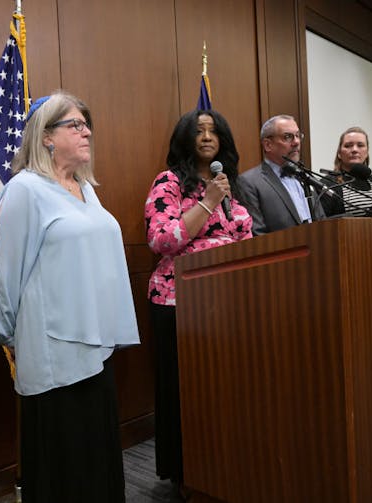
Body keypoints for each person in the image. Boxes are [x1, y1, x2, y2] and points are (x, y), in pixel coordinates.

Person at [0, 91, 140, 503]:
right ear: (47, 136)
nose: (87, 131)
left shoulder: (85, 189)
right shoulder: (25, 190)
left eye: (87, 123)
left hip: (96, 346)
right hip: (54, 349)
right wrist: (11, 336)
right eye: (75, 124)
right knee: (66, 460)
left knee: (96, 454)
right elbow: (3, 269)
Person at [145, 109, 252, 495]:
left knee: (221, 389)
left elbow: (243, 235)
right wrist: (206, 202)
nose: (207, 137)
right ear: (185, 139)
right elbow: (163, 240)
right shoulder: (169, 182)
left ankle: (221, 462)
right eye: (199, 131)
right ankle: (184, 472)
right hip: (179, 301)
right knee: (184, 391)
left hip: (226, 300)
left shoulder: (228, 184)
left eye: (214, 131)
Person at [239, 114, 326, 234]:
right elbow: (257, 234)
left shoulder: (305, 177)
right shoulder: (249, 182)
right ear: (268, 145)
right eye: (287, 137)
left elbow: (322, 221)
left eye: (297, 136)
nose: (296, 142)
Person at [321, 126, 372, 217]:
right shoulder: (328, 184)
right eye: (348, 146)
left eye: (360, 145)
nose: (354, 150)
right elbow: (322, 222)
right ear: (339, 153)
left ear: (366, 152)